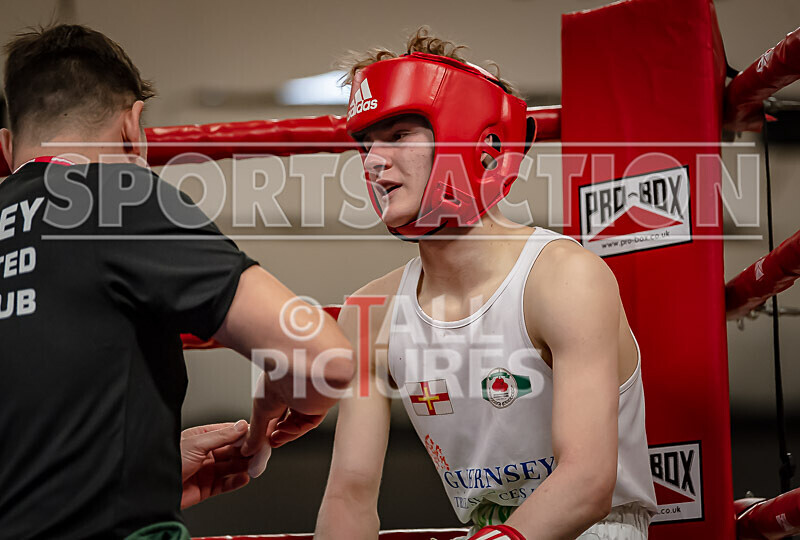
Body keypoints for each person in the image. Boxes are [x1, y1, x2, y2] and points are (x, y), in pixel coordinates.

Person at [0, 24, 354, 540]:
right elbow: (326, 359)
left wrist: (150, 468)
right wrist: (282, 394)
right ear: (133, 126)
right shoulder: (119, 196)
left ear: (7, 145)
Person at [315, 28, 657, 540]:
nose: (373, 161)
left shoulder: (563, 278)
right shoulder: (372, 312)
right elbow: (349, 495)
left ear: (475, 141)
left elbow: (587, 483)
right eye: (366, 143)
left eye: (399, 135)